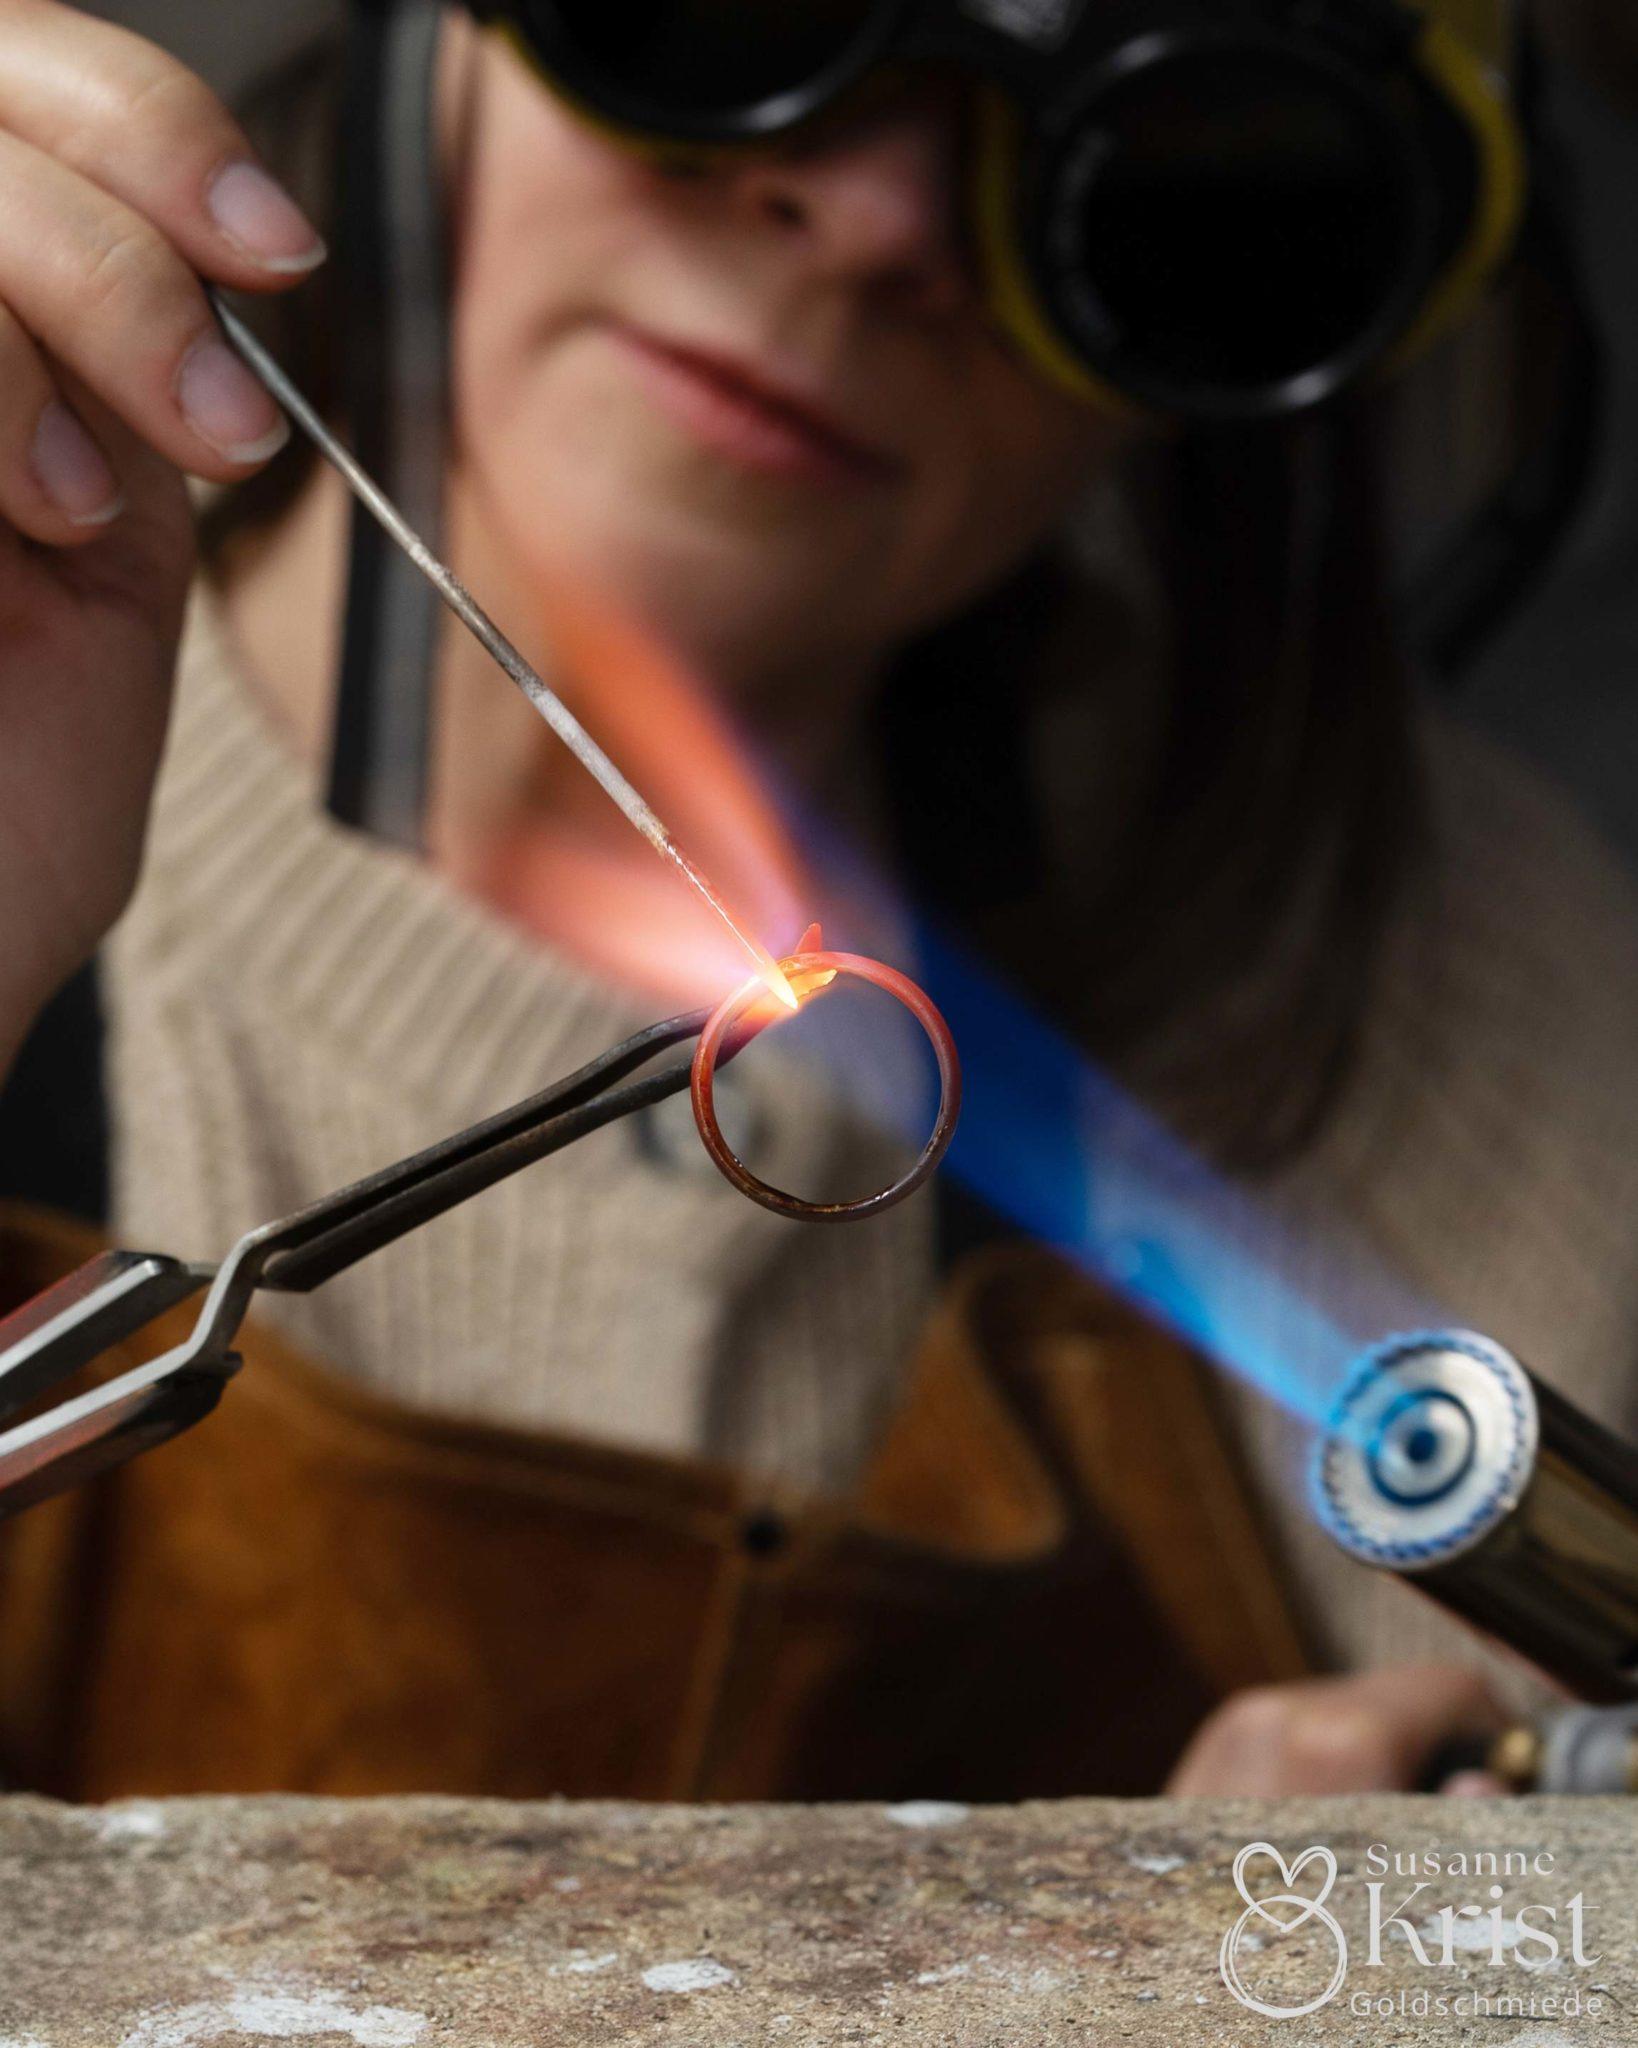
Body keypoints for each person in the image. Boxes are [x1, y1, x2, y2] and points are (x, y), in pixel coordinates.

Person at [0, 0, 1634, 1800]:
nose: (873, 218)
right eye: (759, 11)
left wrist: (1296, 1941)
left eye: (1155, 155)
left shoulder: (1471, 1015)